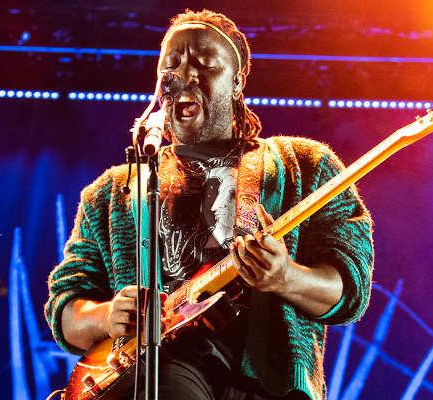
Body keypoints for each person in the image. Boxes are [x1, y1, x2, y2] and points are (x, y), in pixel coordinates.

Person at [45, 9, 374, 400]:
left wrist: (285, 276)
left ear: (237, 82)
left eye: (205, 63)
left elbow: (350, 289)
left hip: (269, 383)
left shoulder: (305, 165)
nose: (184, 73)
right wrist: (106, 315)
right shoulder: (111, 192)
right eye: (171, 64)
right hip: (157, 373)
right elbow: (66, 306)